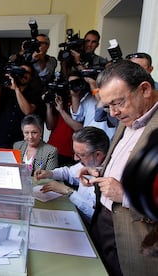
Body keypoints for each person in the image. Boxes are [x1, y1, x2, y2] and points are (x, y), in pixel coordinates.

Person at [80, 60, 158, 275]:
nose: (112, 113)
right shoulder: (129, 116)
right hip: (102, 223)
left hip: (134, 238)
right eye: (108, 106)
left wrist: (125, 195)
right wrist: (99, 170)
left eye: (118, 103)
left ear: (144, 89)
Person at [36, 127, 109, 226]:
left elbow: (94, 213)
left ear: (98, 155)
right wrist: (49, 173)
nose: (75, 158)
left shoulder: (108, 177)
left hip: (90, 227)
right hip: (75, 215)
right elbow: (69, 172)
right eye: (75, 153)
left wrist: (68, 191)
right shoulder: (89, 162)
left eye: (80, 155)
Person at [0, 63, 44, 148]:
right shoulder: (6, 89)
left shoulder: (34, 93)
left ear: (31, 77)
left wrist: (16, 89)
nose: (24, 75)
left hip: (20, 142)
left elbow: (27, 111)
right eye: (21, 72)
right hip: (1, 139)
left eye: (27, 73)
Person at [69, 73, 116, 140]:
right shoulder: (88, 97)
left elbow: (103, 103)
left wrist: (94, 86)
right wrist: (74, 96)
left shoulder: (109, 94)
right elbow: (77, 117)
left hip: (107, 137)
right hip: (89, 139)